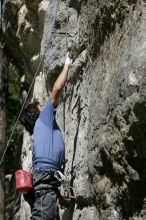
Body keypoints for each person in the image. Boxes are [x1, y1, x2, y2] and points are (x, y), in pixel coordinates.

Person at [20, 53, 72, 220]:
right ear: (39, 111)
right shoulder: (43, 119)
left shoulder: (40, 131)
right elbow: (56, 90)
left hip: (45, 183)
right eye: (41, 105)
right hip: (45, 184)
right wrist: (67, 65)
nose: (44, 105)